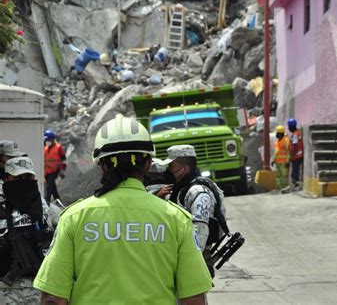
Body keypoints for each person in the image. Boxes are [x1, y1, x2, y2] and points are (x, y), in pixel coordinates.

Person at [33, 114, 212, 304]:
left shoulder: (74, 218)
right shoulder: (176, 219)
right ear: (149, 163)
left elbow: (53, 298)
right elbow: (193, 299)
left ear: (102, 165)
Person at [157, 145, 228, 277]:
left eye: (171, 166)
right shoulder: (181, 189)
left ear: (184, 169)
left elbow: (200, 231)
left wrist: (189, 262)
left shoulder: (198, 193)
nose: (168, 171)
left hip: (193, 259)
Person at [0, 156, 54, 304]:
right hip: (6, 287)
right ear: (6, 178)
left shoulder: (47, 208)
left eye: (28, 177)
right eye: (17, 177)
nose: (23, 181)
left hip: (39, 285)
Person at [43, 130, 66, 204]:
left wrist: (62, 171)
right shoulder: (45, 148)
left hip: (55, 169)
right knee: (52, 187)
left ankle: (47, 202)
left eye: (48, 140)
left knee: (49, 186)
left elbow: (64, 160)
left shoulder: (58, 147)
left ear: (53, 139)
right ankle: (58, 201)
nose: (47, 141)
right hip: (47, 171)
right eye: (46, 140)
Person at [271, 125, 290, 191]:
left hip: (284, 162)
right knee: (278, 176)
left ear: (280, 133)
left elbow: (288, 151)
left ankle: (286, 187)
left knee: (284, 175)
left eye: (277, 133)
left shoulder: (286, 140)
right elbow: (276, 152)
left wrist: (287, 161)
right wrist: (273, 160)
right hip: (278, 162)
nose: (276, 134)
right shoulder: (276, 142)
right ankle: (281, 188)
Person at [288, 118, 304, 189]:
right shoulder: (297, 133)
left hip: (296, 156)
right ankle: (296, 184)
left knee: (295, 172)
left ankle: (296, 185)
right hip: (298, 155)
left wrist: (290, 155)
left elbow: (294, 145)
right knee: (295, 171)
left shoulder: (295, 134)